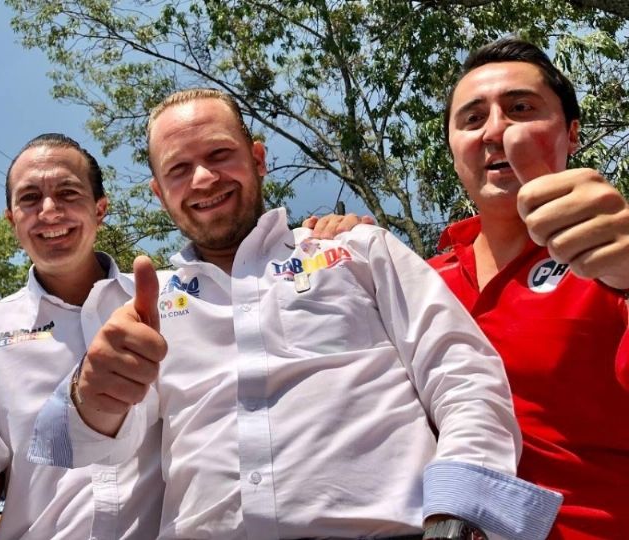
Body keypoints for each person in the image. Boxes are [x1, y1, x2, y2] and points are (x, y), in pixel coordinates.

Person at [31, 88, 561, 539]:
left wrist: (462, 512)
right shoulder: (143, 306)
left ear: (258, 158)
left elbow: (462, 372)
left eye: (219, 155)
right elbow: (84, 449)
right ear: (159, 192)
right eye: (178, 169)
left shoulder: (358, 250)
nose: (202, 179)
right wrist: (91, 393)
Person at [311, 37, 629, 539]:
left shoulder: (617, 260)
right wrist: (338, 264)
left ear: (572, 133)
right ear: (454, 150)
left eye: (521, 109)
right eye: (472, 118)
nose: (496, 131)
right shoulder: (416, 281)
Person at [0, 133, 164, 539]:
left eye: (68, 193)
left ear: (100, 209)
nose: (49, 211)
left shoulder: (172, 302)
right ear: (12, 219)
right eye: (30, 198)